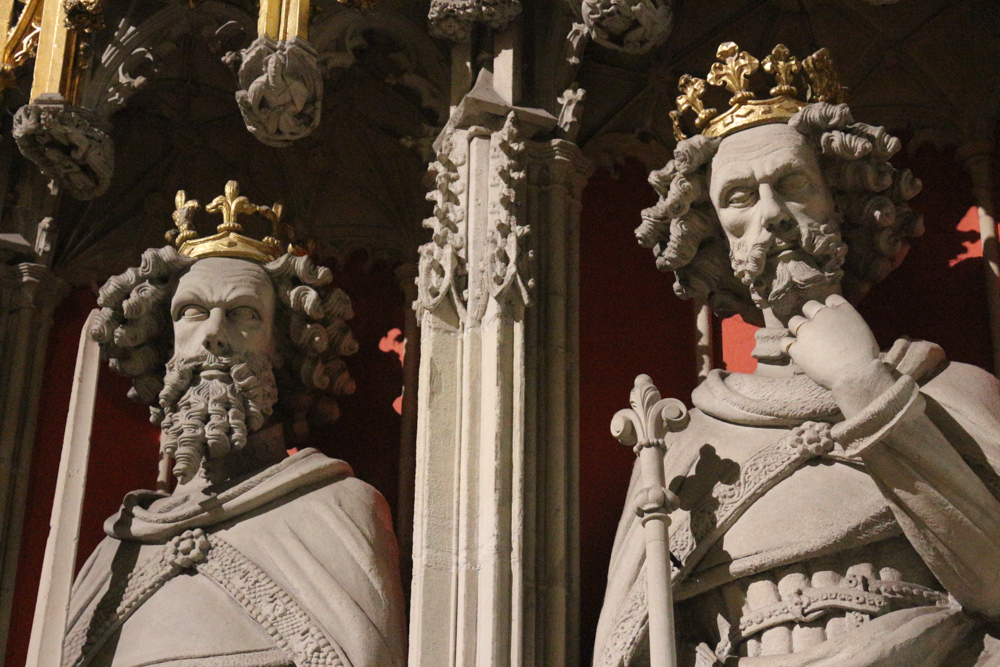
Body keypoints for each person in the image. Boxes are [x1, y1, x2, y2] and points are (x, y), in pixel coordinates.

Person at [594, 43, 1000, 667]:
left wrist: (862, 383)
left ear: (840, 202)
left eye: (792, 186)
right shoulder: (684, 442)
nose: (772, 216)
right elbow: (628, 646)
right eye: (739, 198)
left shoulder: (950, 392)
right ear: (713, 234)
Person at [62, 183, 407, 667]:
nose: (213, 336)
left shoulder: (338, 511)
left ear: (286, 348)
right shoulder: (115, 550)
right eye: (192, 313)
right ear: (163, 347)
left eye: (243, 315)